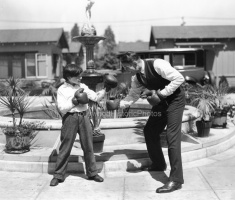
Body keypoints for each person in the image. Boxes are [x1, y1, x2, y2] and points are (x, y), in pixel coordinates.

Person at [118, 52, 185, 193]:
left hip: (175, 101)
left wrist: (161, 94)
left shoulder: (157, 64)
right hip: (160, 103)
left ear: (134, 63)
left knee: (172, 137)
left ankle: (176, 180)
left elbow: (179, 78)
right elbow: (134, 94)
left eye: (126, 67)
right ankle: (159, 164)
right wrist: (120, 104)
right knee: (150, 131)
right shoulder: (136, 77)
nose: (125, 70)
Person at [50, 63, 107, 186]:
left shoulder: (83, 86)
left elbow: (95, 98)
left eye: (80, 76)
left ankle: (92, 173)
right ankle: (58, 175)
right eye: (77, 76)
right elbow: (62, 108)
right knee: (65, 147)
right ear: (69, 77)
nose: (80, 78)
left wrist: (105, 89)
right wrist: (74, 101)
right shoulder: (62, 90)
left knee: (88, 146)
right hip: (70, 118)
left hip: (84, 117)